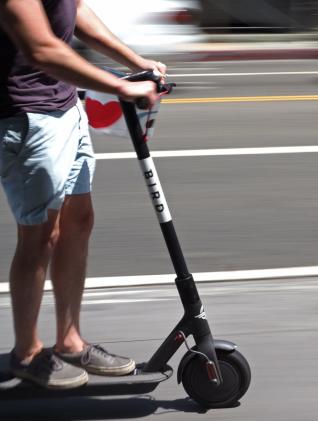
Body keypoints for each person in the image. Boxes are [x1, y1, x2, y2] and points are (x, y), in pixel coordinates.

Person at [0, 0, 165, 389]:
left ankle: (70, 343)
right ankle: (26, 352)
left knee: (79, 222)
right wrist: (123, 86)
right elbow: (42, 48)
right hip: (28, 117)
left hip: (65, 105)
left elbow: (73, 10)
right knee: (40, 236)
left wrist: (132, 60)